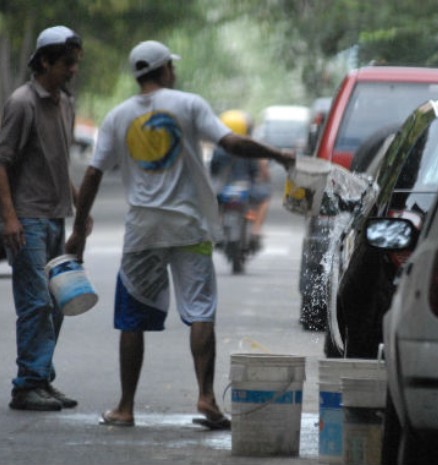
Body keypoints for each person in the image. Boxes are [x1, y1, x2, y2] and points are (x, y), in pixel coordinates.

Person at [65, 40, 294, 428]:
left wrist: (78, 231)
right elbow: (232, 142)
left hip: (143, 231)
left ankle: (125, 407)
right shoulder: (189, 105)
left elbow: (93, 173)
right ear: (165, 69)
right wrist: (277, 154)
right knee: (201, 310)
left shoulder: (118, 116)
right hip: (190, 228)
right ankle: (206, 397)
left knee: (132, 318)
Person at [0, 25, 84, 411]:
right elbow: (0, 162)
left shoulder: (65, 103)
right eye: (67, 63)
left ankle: (41, 377)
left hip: (56, 217)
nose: (72, 69)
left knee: (59, 300)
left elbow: (58, 162)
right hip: (27, 219)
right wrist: (10, 218)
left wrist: (81, 206)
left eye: (75, 63)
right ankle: (27, 385)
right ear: (44, 61)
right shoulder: (22, 102)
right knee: (35, 303)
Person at [210, 109, 272, 251]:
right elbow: (255, 172)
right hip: (246, 189)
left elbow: (213, 170)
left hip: (222, 189)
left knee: (212, 204)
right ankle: (256, 229)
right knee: (265, 198)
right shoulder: (250, 148)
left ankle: (216, 227)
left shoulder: (219, 149)